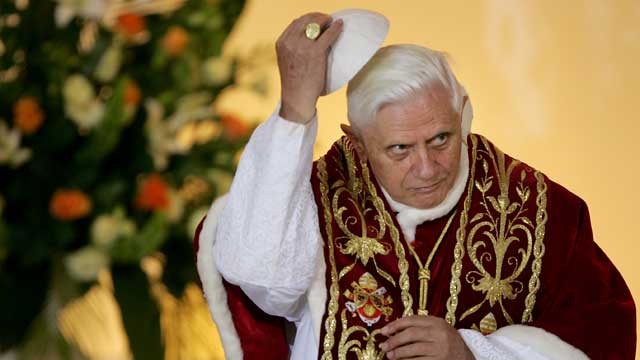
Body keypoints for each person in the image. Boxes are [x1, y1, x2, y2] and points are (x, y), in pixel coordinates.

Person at [195, 12, 636, 359]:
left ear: (462, 112)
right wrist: (295, 108)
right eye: (401, 149)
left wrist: (473, 353)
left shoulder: (538, 209)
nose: (427, 169)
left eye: (441, 138)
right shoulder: (315, 198)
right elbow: (261, 280)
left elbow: (602, 338)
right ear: (359, 144)